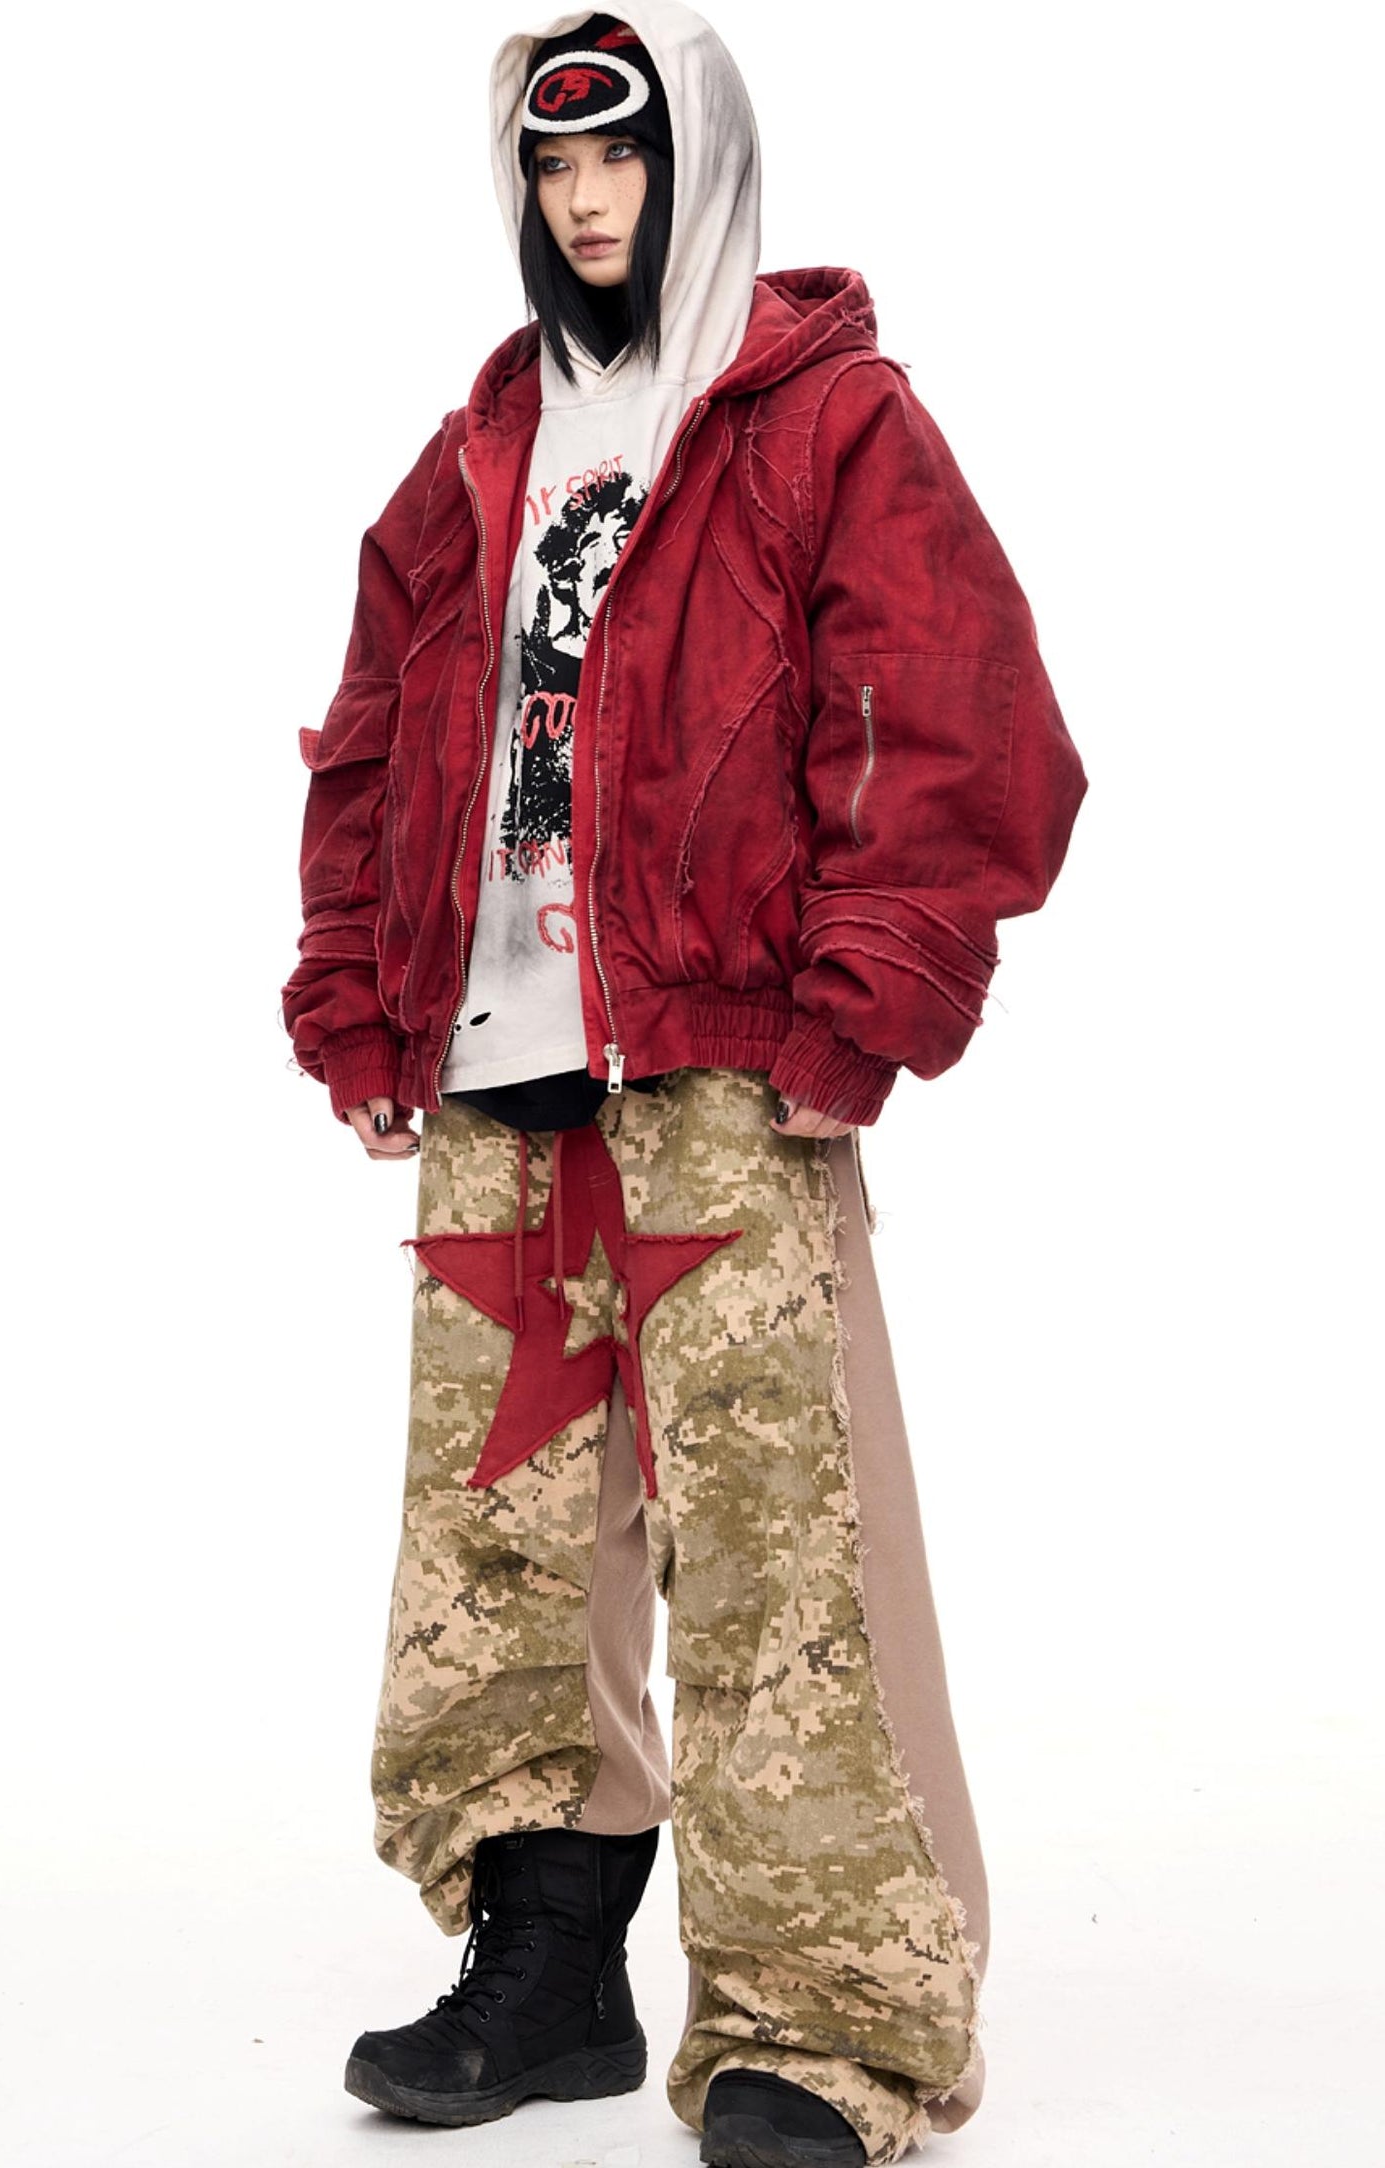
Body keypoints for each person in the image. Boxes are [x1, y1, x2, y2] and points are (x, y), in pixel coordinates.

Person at [279, 6, 1088, 2164]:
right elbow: (372, 739)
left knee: (780, 1546)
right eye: (550, 168)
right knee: (502, 1548)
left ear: (698, 162)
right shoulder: (481, 450)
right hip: (500, 1086)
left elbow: (960, 714)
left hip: (726, 1069)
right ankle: (547, 1967)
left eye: (620, 158)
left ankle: (830, 2027)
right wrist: (363, 999)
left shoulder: (825, 421)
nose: (583, 200)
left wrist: (863, 1000)